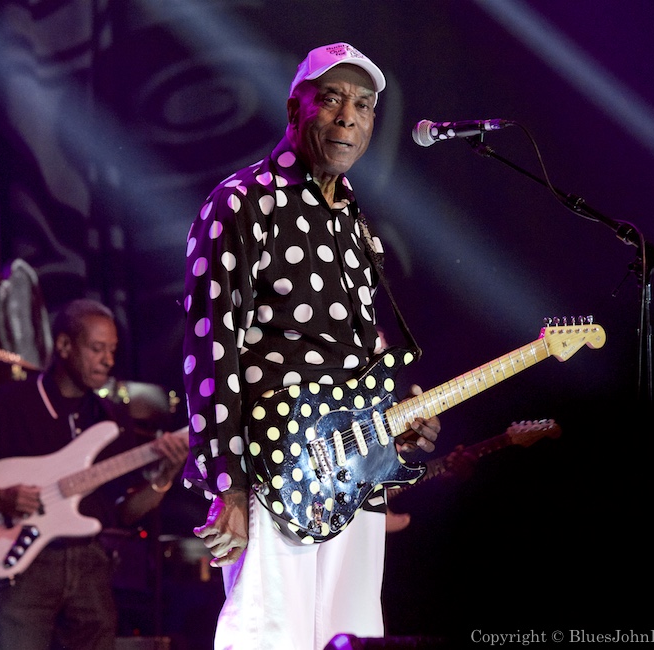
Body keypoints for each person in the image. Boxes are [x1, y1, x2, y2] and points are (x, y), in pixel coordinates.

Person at [179, 42, 441, 650]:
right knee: (269, 636)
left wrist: (397, 424)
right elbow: (210, 349)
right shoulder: (243, 203)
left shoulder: (355, 223)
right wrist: (229, 486)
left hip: (357, 474)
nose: (349, 116)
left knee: (351, 637)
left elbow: (356, 360)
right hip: (275, 471)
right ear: (294, 109)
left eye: (365, 105)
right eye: (332, 99)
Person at [0, 298, 189, 650]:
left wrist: (163, 478)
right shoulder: (12, 403)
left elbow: (124, 513)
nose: (108, 360)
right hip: (25, 571)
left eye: (111, 350)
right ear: (64, 345)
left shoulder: (111, 420)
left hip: (91, 571)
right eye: (96, 349)